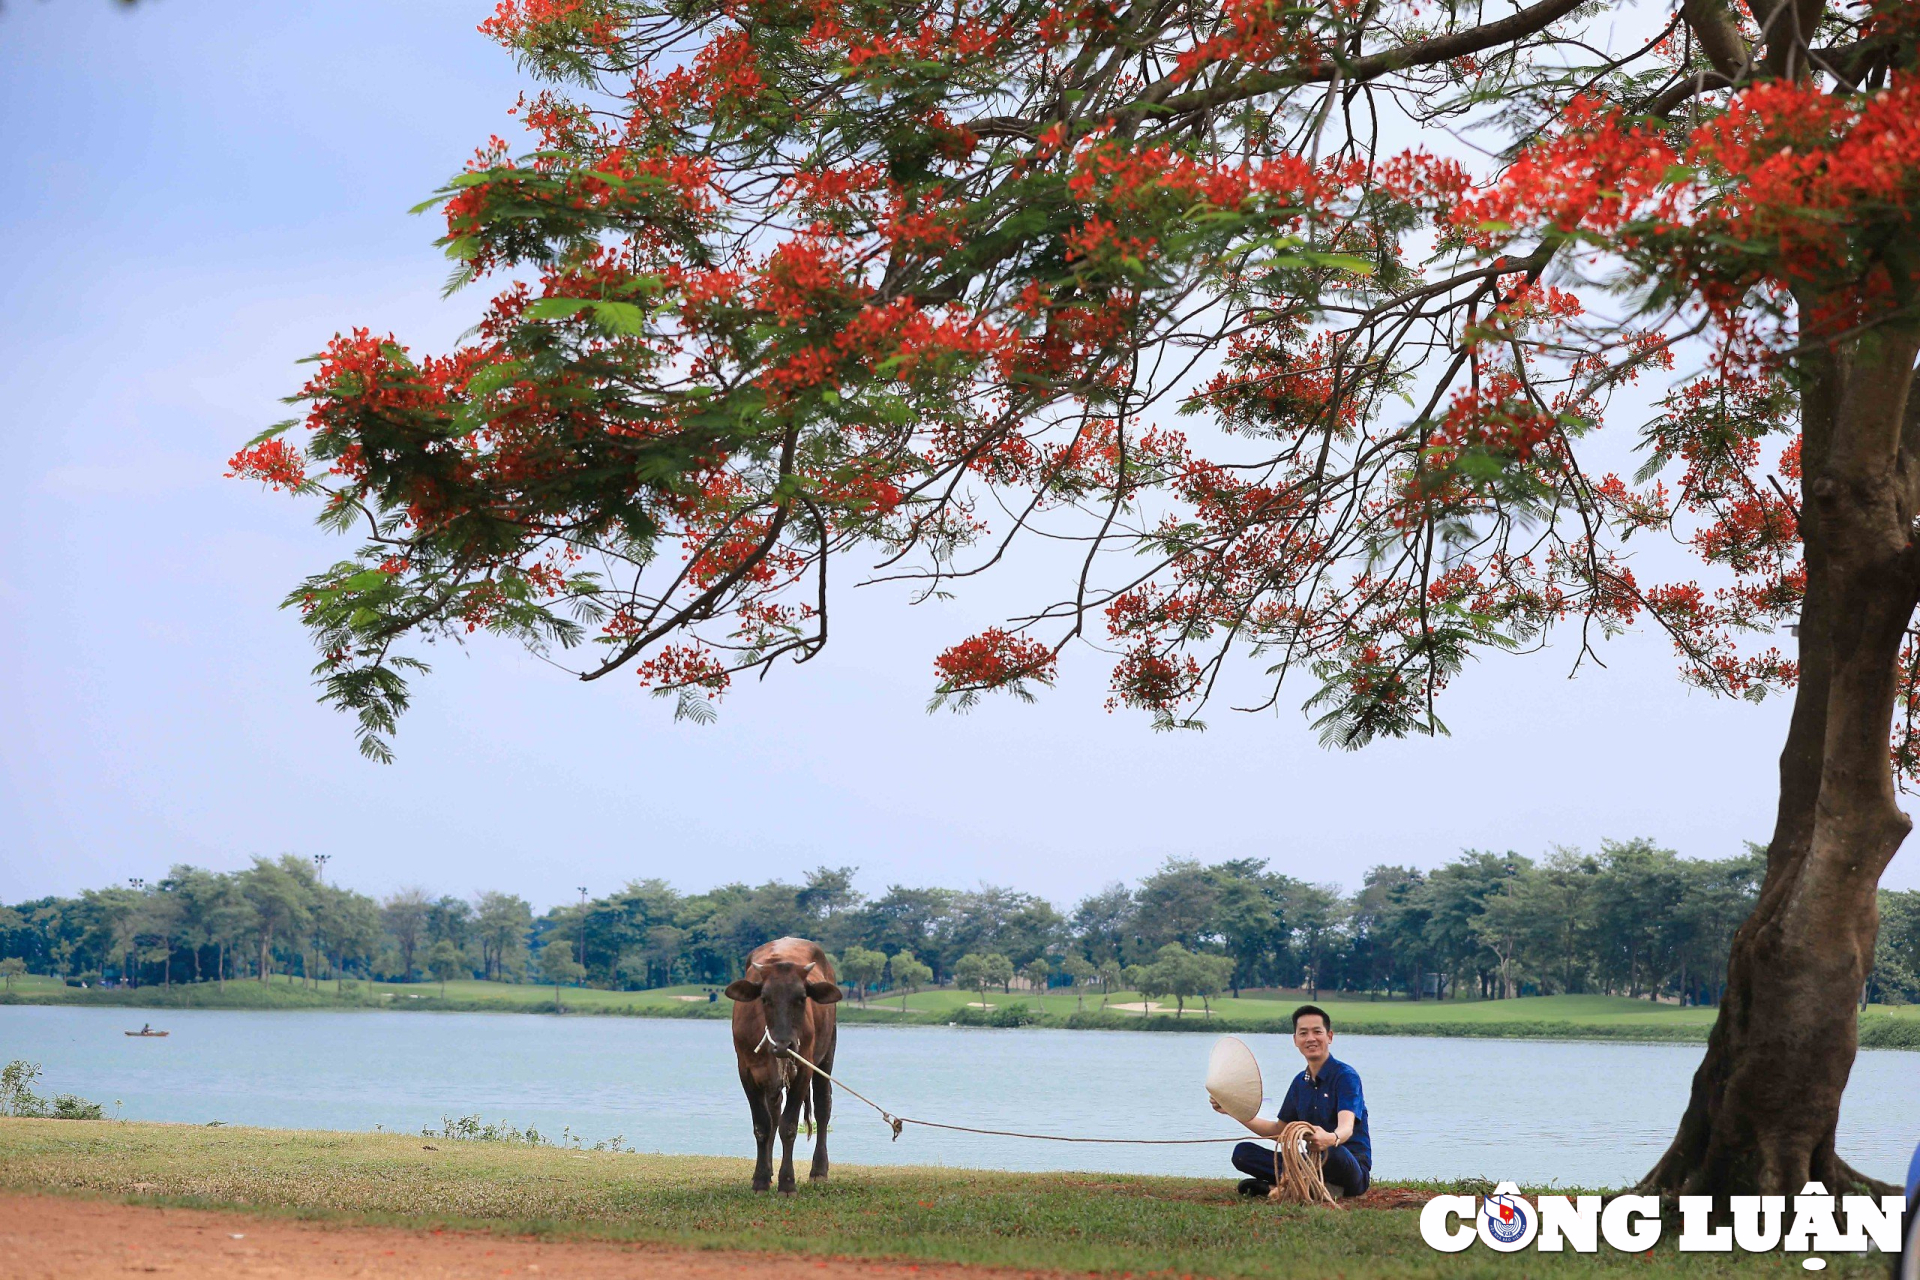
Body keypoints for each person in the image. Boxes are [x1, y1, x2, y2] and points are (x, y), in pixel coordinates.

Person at [1211, 1004, 1371, 1200]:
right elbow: (1279, 1131)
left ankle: (1291, 1186)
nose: (1310, 1038)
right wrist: (1232, 1109)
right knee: (1243, 1153)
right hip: (1309, 1163)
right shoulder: (1299, 1083)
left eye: (1317, 1032)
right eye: (1303, 1033)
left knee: (1333, 1153)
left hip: (1348, 1163)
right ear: (1295, 1040)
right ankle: (1308, 1185)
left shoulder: (1346, 1077)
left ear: (1329, 1036)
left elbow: (1346, 1128)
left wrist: (1329, 1138)